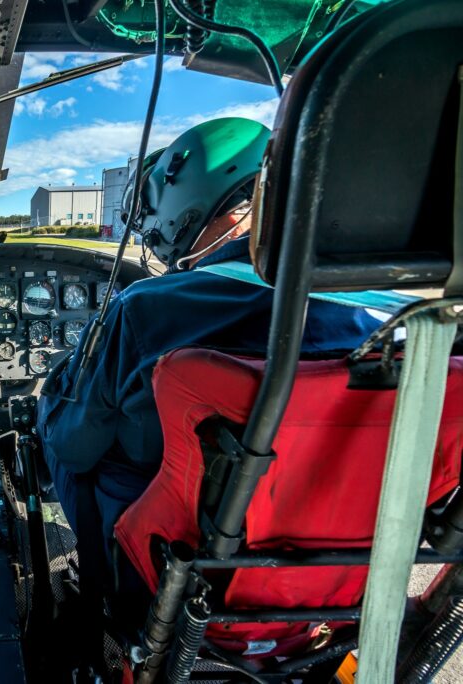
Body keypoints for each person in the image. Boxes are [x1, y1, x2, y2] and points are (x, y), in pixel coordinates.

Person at [37, 117, 383, 549]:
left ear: (183, 208)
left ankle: (90, 573)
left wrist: (58, 386)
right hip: (322, 557)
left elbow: (73, 447)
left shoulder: (144, 310)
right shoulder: (374, 317)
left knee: (57, 427)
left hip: (165, 557)